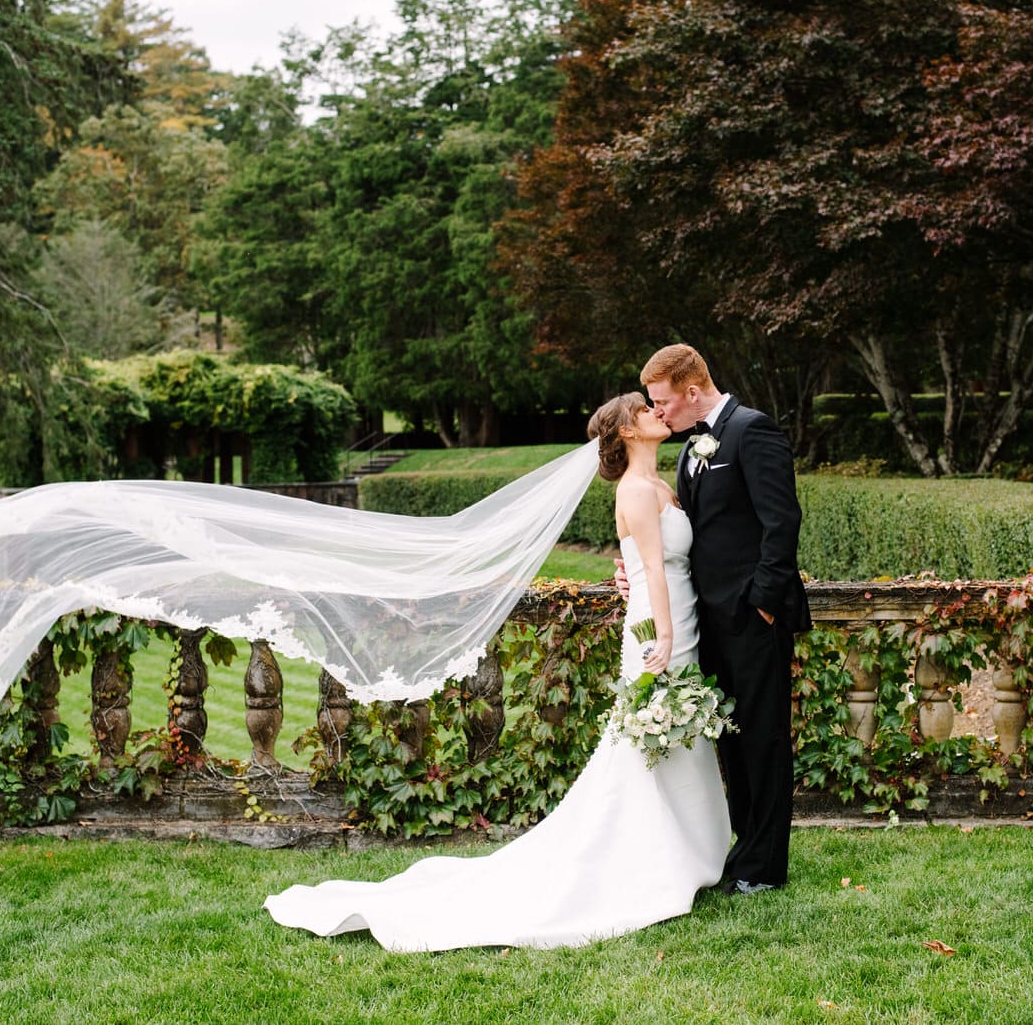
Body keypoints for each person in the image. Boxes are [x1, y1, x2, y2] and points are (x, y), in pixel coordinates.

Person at [263, 393, 730, 950]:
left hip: (678, 619)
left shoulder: (662, 486)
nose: (657, 412)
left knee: (671, 741)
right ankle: (647, 863)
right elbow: (651, 566)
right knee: (647, 744)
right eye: (644, 409)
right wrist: (666, 634)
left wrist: (633, 579)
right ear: (627, 432)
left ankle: (684, 850)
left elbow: (652, 560)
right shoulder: (633, 489)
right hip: (660, 632)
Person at [628, 344, 809, 895]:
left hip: (755, 618)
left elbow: (782, 522)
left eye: (662, 402)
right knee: (732, 741)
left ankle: (764, 867)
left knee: (764, 738)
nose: (658, 414)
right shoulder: (690, 450)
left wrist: (762, 601)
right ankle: (743, 850)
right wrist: (635, 570)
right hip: (708, 620)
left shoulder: (752, 431)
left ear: (690, 391)